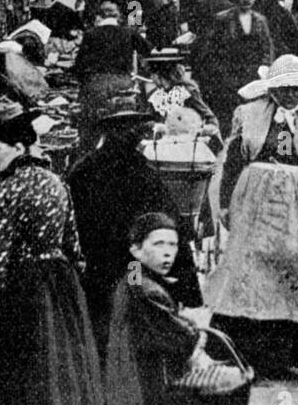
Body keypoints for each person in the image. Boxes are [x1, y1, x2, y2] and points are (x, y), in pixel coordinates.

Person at [204, 55, 298, 379]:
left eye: (297, 88)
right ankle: (245, 351)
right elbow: (234, 163)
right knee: (250, 269)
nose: (290, 94)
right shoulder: (248, 115)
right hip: (254, 199)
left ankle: (288, 355)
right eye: (283, 88)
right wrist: (224, 204)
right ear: (271, 89)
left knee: (294, 267)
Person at [0, 102, 103, 405]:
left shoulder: (4, 190)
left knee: (14, 380)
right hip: (62, 289)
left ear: (18, 147)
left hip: (21, 292)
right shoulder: (57, 183)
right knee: (60, 374)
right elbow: (75, 250)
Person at [67, 106, 203, 356]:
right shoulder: (145, 172)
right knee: (134, 318)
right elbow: (171, 226)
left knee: (100, 328)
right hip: (134, 266)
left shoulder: (83, 170)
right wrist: (189, 289)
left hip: (97, 266)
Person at [105, 213, 210, 405]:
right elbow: (183, 339)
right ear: (136, 250)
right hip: (149, 385)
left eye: (173, 245)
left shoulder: (133, 274)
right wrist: (197, 325)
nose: (168, 252)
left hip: (128, 379)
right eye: (159, 244)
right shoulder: (148, 291)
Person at [193, 0, 273, 137]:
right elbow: (210, 49)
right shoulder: (222, 19)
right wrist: (217, 73)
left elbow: (267, 49)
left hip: (251, 76)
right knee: (227, 117)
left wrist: (264, 71)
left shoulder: (260, 21)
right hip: (227, 76)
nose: (247, 0)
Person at [74, 0, 151, 150]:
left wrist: (85, 84)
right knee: (124, 130)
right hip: (123, 85)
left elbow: (79, 66)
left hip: (96, 86)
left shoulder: (90, 34)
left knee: (90, 133)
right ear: (118, 17)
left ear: (99, 17)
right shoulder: (129, 32)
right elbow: (149, 51)